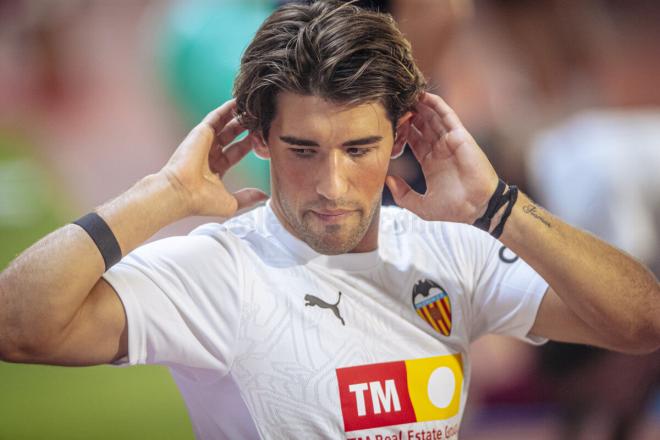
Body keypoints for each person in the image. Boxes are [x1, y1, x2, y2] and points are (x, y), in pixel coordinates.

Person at [0, 1, 658, 439]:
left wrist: (501, 209)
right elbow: (19, 326)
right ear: (260, 139)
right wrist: (165, 192)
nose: (332, 185)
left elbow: (640, 323)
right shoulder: (216, 273)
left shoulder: (452, 250)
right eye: (303, 149)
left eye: (358, 149)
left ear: (401, 136)